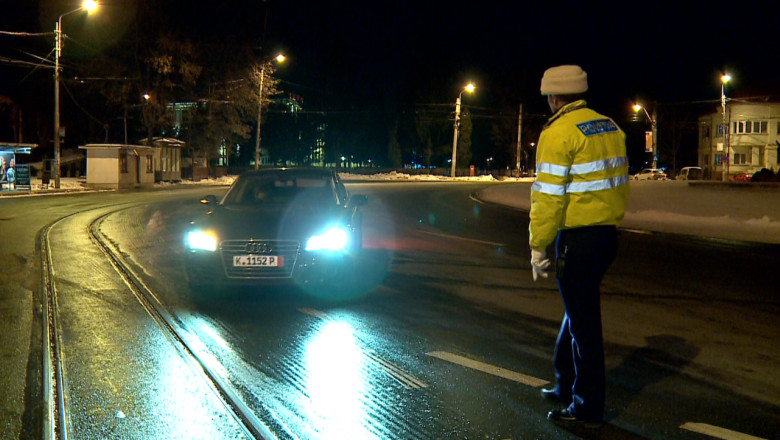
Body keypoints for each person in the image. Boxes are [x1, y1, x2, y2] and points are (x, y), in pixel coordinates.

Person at [528, 65, 629, 428]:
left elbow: (548, 197)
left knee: (585, 324)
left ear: (555, 97)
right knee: (578, 310)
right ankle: (564, 381)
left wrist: (538, 246)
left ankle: (586, 408)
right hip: (606, 238)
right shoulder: (610, 126)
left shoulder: (558, 133)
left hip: (579, 240)